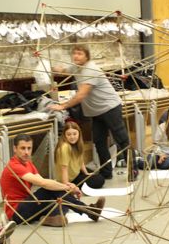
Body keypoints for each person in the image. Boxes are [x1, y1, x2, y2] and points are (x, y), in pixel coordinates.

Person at [47, 45, 131, 180]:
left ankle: (132, 170)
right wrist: (46, 63)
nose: (76, 56)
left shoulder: (90, 69)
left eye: (79, 53)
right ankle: (106, 172)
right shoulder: (76, 67)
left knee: (121, 139)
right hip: (96, 112)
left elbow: (81, 95)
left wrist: (63, 106)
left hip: (110, 108)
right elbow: (63, 71)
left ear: (87, 56)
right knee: (99, 141)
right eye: (74, 53)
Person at [0, 134, 106, 227]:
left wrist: (66, 189)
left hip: (28, 207)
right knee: (50, 191)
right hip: (16, 213)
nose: (27, 152)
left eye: (29, 148)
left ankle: (52, 218)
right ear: (15, 149)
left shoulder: (28, 164)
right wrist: (68, 187)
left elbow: (42, 179)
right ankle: (89, 211)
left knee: (60, 199)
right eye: (23, 148)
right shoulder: (14, 166)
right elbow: (43, 183)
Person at [55, 120, 105, 191]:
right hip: (71, 179)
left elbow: (81, 161)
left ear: (79, 134)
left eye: (74, 134)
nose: (72, 137)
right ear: (64, 135)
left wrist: (86, 173)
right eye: (69, 134)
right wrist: (66, 185)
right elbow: (64, 169)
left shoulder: (78, 144)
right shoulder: (65, 147)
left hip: (77, 172)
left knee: (97, 174)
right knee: (100, 180)